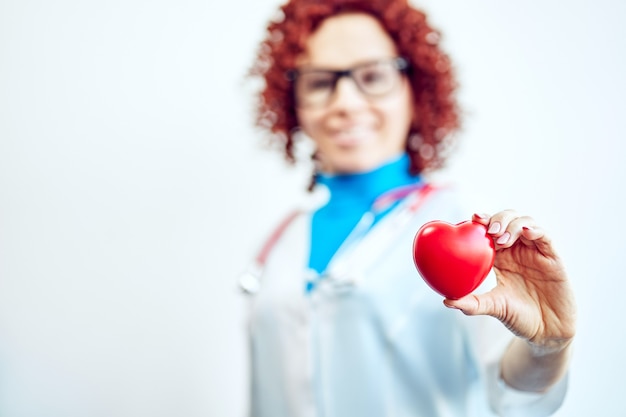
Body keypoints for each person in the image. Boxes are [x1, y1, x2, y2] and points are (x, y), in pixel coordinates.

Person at [241, 0, 577, 416]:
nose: (344, 101)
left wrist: (546, 348)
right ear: (295, 102)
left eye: (373, 76)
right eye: (319, 81)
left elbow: (514, 396)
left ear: (414, 89)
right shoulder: (281, 240)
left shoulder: (478, 232)